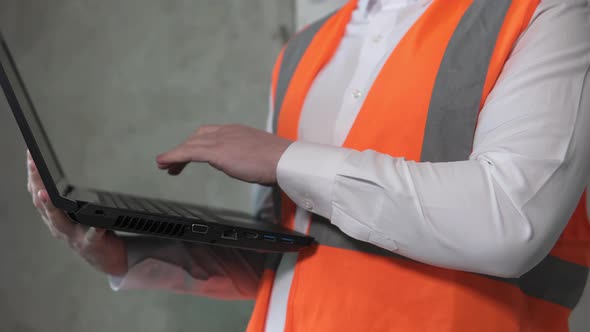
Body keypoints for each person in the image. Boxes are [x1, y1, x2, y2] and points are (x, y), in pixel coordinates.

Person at [27, 0, 590, 331]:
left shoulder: (548, 14)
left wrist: (286, 159)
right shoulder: (301, 51)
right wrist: (125, 253)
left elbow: (512, 220)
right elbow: (291, 260)